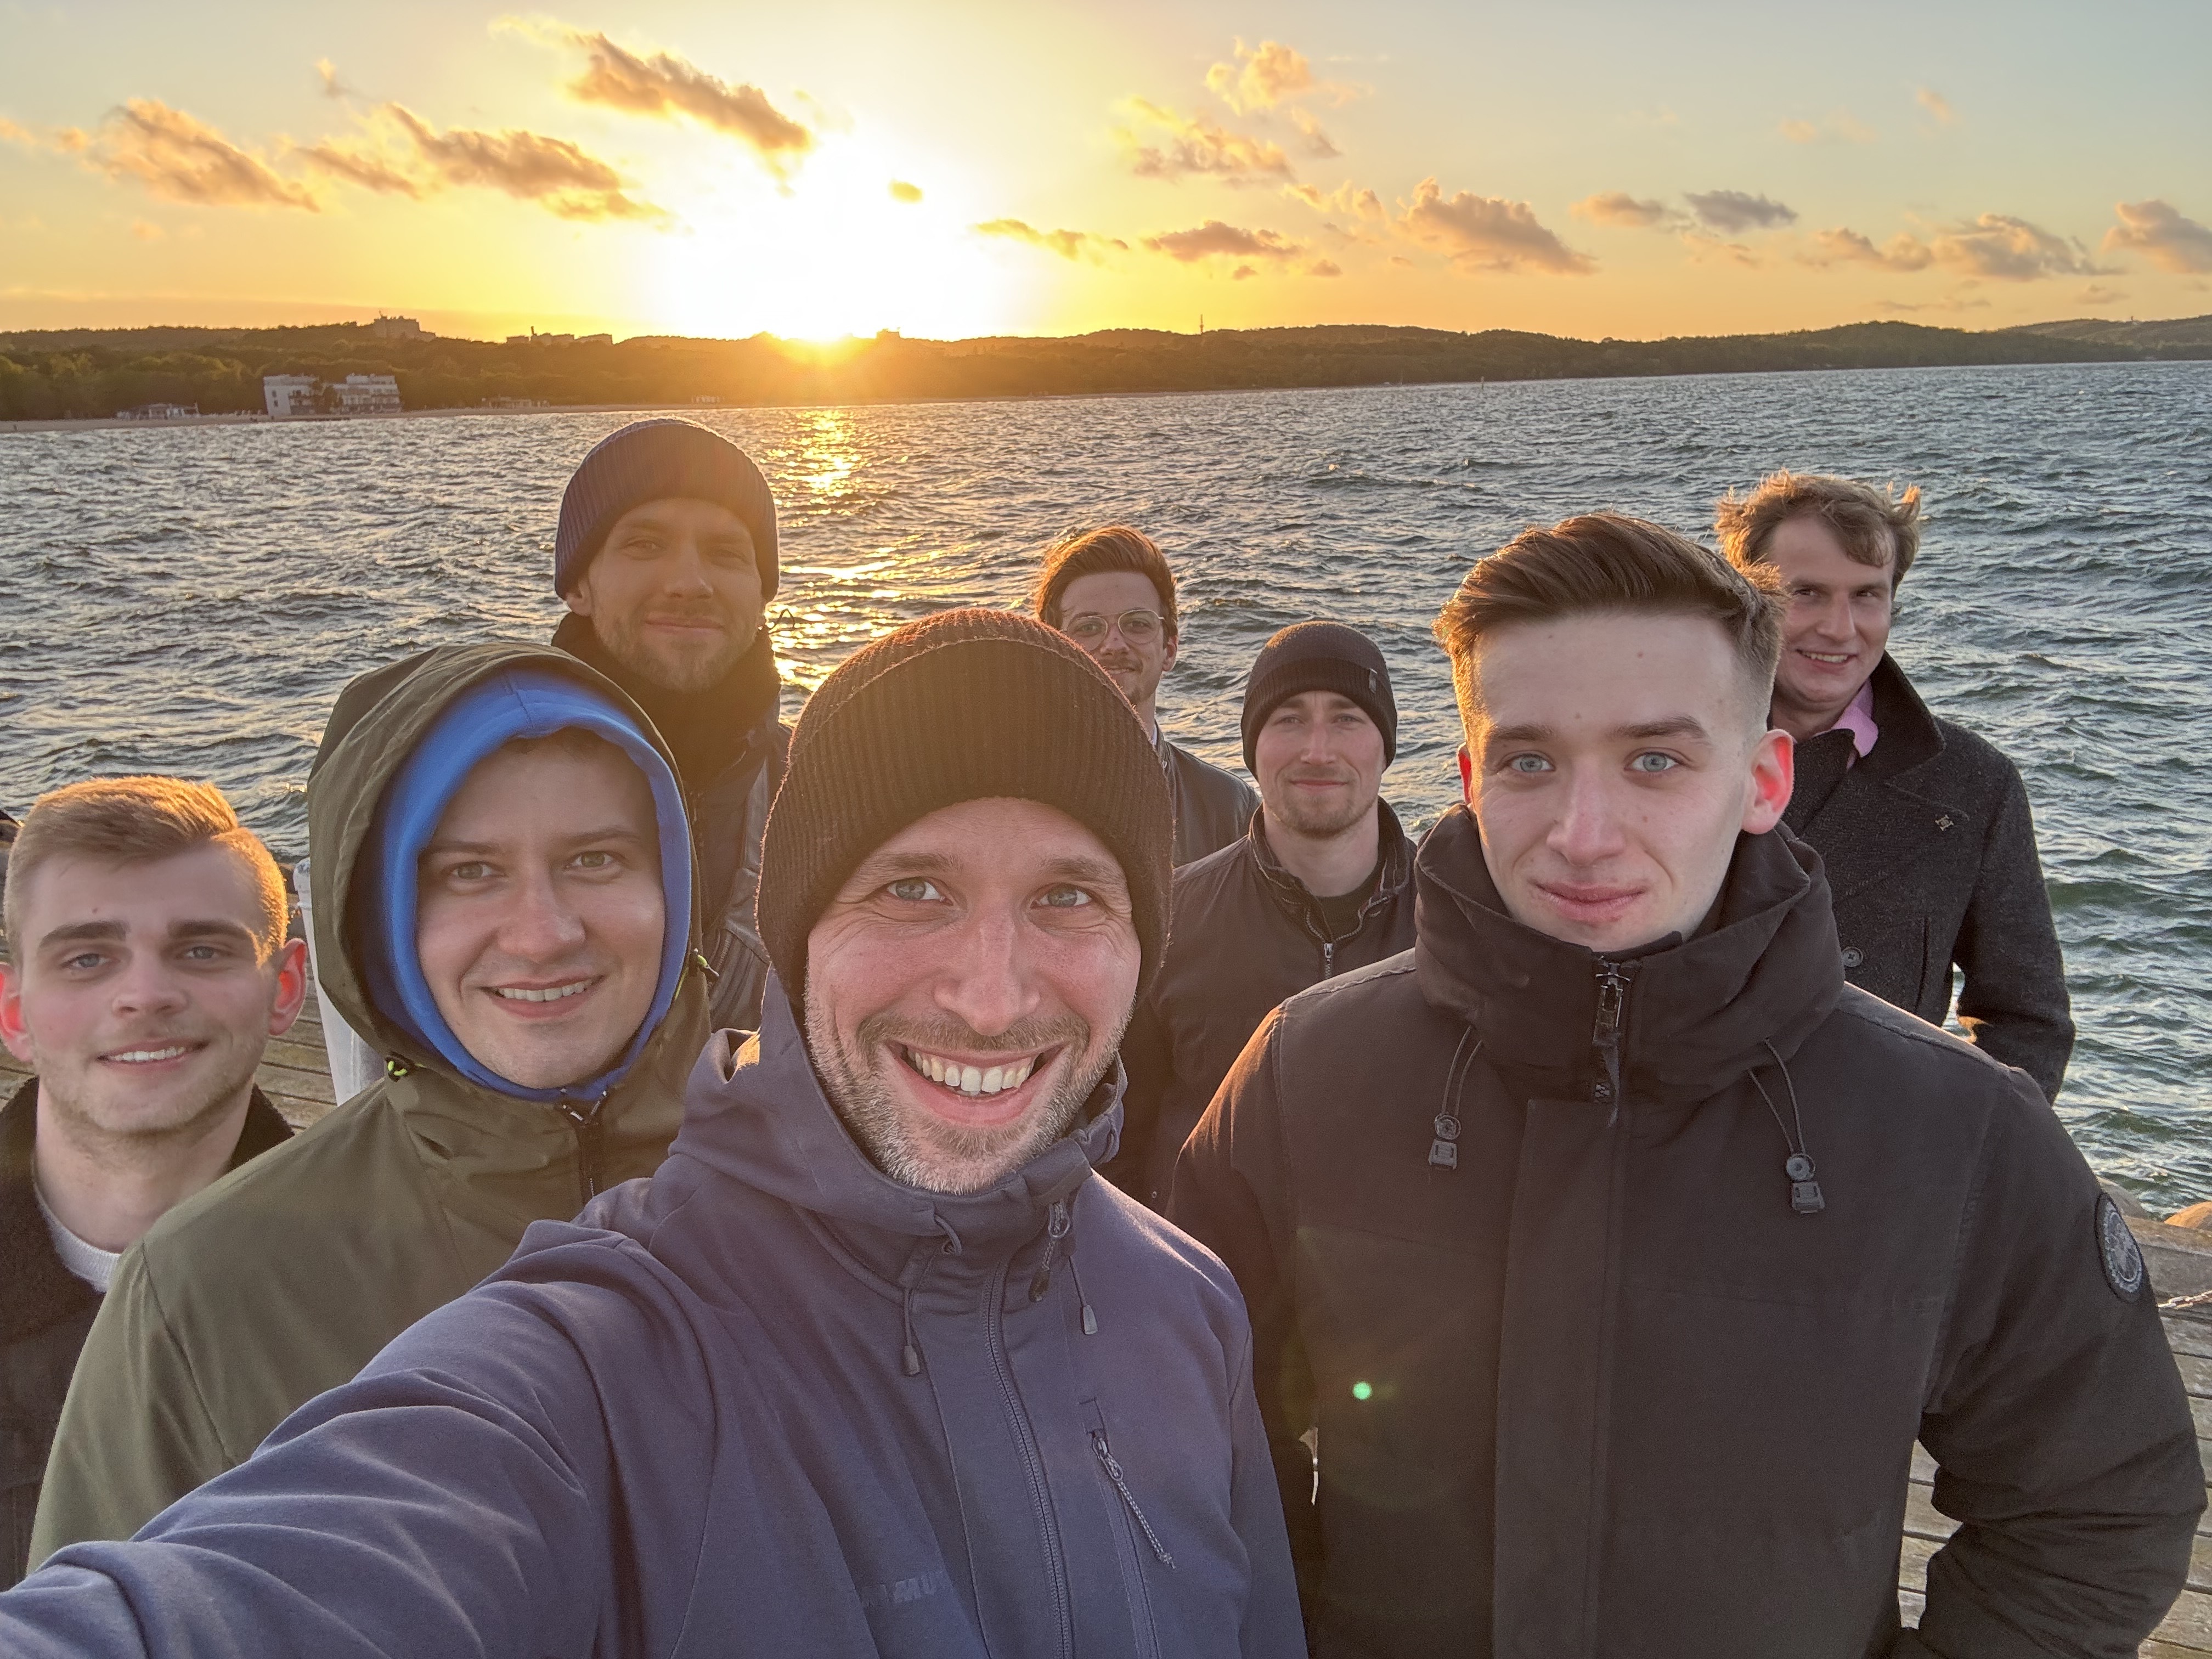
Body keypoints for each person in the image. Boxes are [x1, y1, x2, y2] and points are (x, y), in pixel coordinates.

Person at [0, 610, 1306, 1659]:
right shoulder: (603, 1339)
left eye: (1072, 895)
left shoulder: (1183, 1305)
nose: (990, 990)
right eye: (912, 888)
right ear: (794, 938)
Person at [1171, 515, 2201, 1657]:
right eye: (1529, 762)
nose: (1584, 833)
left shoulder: (1958, 1132)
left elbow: (2100, 1500)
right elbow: (1192, 1434)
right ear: (1467, 779)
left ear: (1763, 778)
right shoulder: (1306, 1073)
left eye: (1655, 760)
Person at [27, 642, 703, 1563]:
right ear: (377, 909)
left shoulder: (820, 1181)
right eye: (469, 870)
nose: (544, 930)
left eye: (595, 857)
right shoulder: (201, 1298)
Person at [0, 778, 302, 1585]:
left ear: (286, 988)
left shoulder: (391, 1286)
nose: (144, 996)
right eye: (87, 957)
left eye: (202, 949)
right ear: (15, 1013)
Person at [1716, 471, 2073, 1099]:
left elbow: (2026, 1020)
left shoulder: (1972, 784)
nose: (1839, 627)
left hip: (1869, 1153)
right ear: (1745, 598)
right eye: (1806, 593)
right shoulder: (1661, 757)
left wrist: (1952, 1154)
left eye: (1867, 596)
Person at [1110, 622, 1417, 1207]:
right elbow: (1117, 1138)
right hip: (1206, 1281)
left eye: (1348, 717)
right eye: (1290, 718)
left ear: (1385, 744)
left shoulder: (1455, 927)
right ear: (1254, 745)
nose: (1318, 749)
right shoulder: (1170, 919)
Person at [555, 417, 788, 1034]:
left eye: (727, 553)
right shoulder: (477, 790)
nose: (690, 583)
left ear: (762, 593)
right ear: (579, 583)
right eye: (645, 545)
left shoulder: (823, 790)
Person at [1034, 524, 1259, 864]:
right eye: (1088, 627)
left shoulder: (1228, 810)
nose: (1113, 645)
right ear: (1051, 648)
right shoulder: (1007, 796)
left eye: (1137, 624)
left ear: (1169, 648)